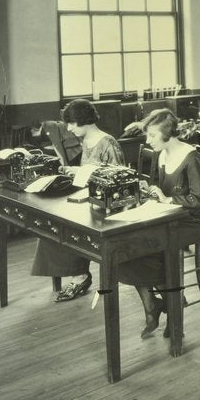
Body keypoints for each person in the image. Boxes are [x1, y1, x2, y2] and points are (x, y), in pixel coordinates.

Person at [119, 109, 200, 337]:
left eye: (152, 135)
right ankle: (154, 305)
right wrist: (149, 190)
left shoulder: (192, 158)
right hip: (170, 216)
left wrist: (167, 199)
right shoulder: (161, 154)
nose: (147, 140)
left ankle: (171, 307)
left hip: (196, 220)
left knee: (147, 247)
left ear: (169, 134)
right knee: (124, 247)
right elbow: (159, 188)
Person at [31, 99, 126, 301]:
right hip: (90, 200)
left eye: (72, 123)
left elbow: (120, 181)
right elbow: (90, 173)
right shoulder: (87, 141)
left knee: (64, 224)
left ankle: (80, 275)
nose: (69, 128)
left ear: (84, 121)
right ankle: (78, 273)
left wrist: (82, 172)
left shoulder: (108, 142)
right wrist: (75, 172)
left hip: (107, 207)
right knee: (51, 222)